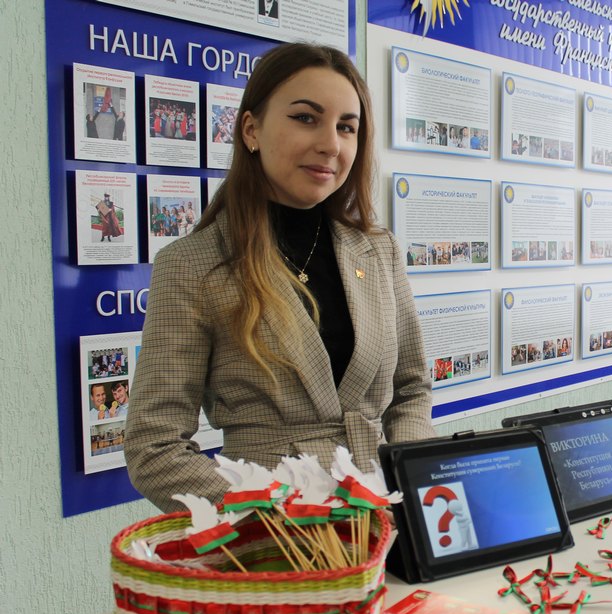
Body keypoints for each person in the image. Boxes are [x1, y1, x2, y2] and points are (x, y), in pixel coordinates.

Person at [125, 43, 435, 512]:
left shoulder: (378, 251)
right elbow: (154, 448)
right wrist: (275, 513)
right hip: (273, 535)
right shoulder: (192, 264)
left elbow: (411, 389)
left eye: (346, 127)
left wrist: (408, 480)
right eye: (306, 118)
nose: (331, 144)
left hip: (386, 523)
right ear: (251, 129)